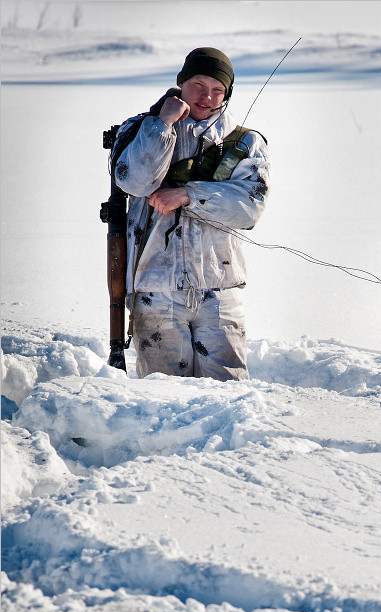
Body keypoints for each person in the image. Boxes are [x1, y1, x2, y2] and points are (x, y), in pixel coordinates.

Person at [112, 47, 270, 381]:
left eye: (218, 90)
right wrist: (163, 124)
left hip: (220, 289)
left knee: (229, 398)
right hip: (155, 287)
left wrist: (187, 195)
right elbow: (133, 180)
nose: (207, 96)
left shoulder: (245, 143)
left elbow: (249, 206)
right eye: (199, 84)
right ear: (181, 83)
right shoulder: (138, 129)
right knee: (162, 398)